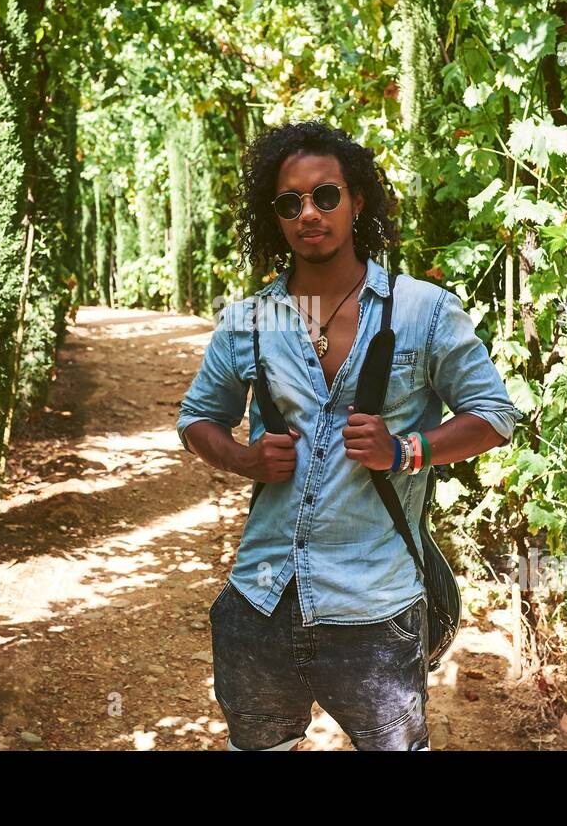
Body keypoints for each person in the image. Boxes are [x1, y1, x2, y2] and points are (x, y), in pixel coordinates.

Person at [176, 120, 523, 750]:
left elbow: (494, 415)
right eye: (291, 203)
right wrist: (242, 457)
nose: (309, 213)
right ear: (274, 216)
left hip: (375, 604)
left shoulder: (425, 310)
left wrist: (406, 450)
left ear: (356, 201)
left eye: (325, 196)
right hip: (262, 597)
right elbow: (196, 418)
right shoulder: (249, 319)